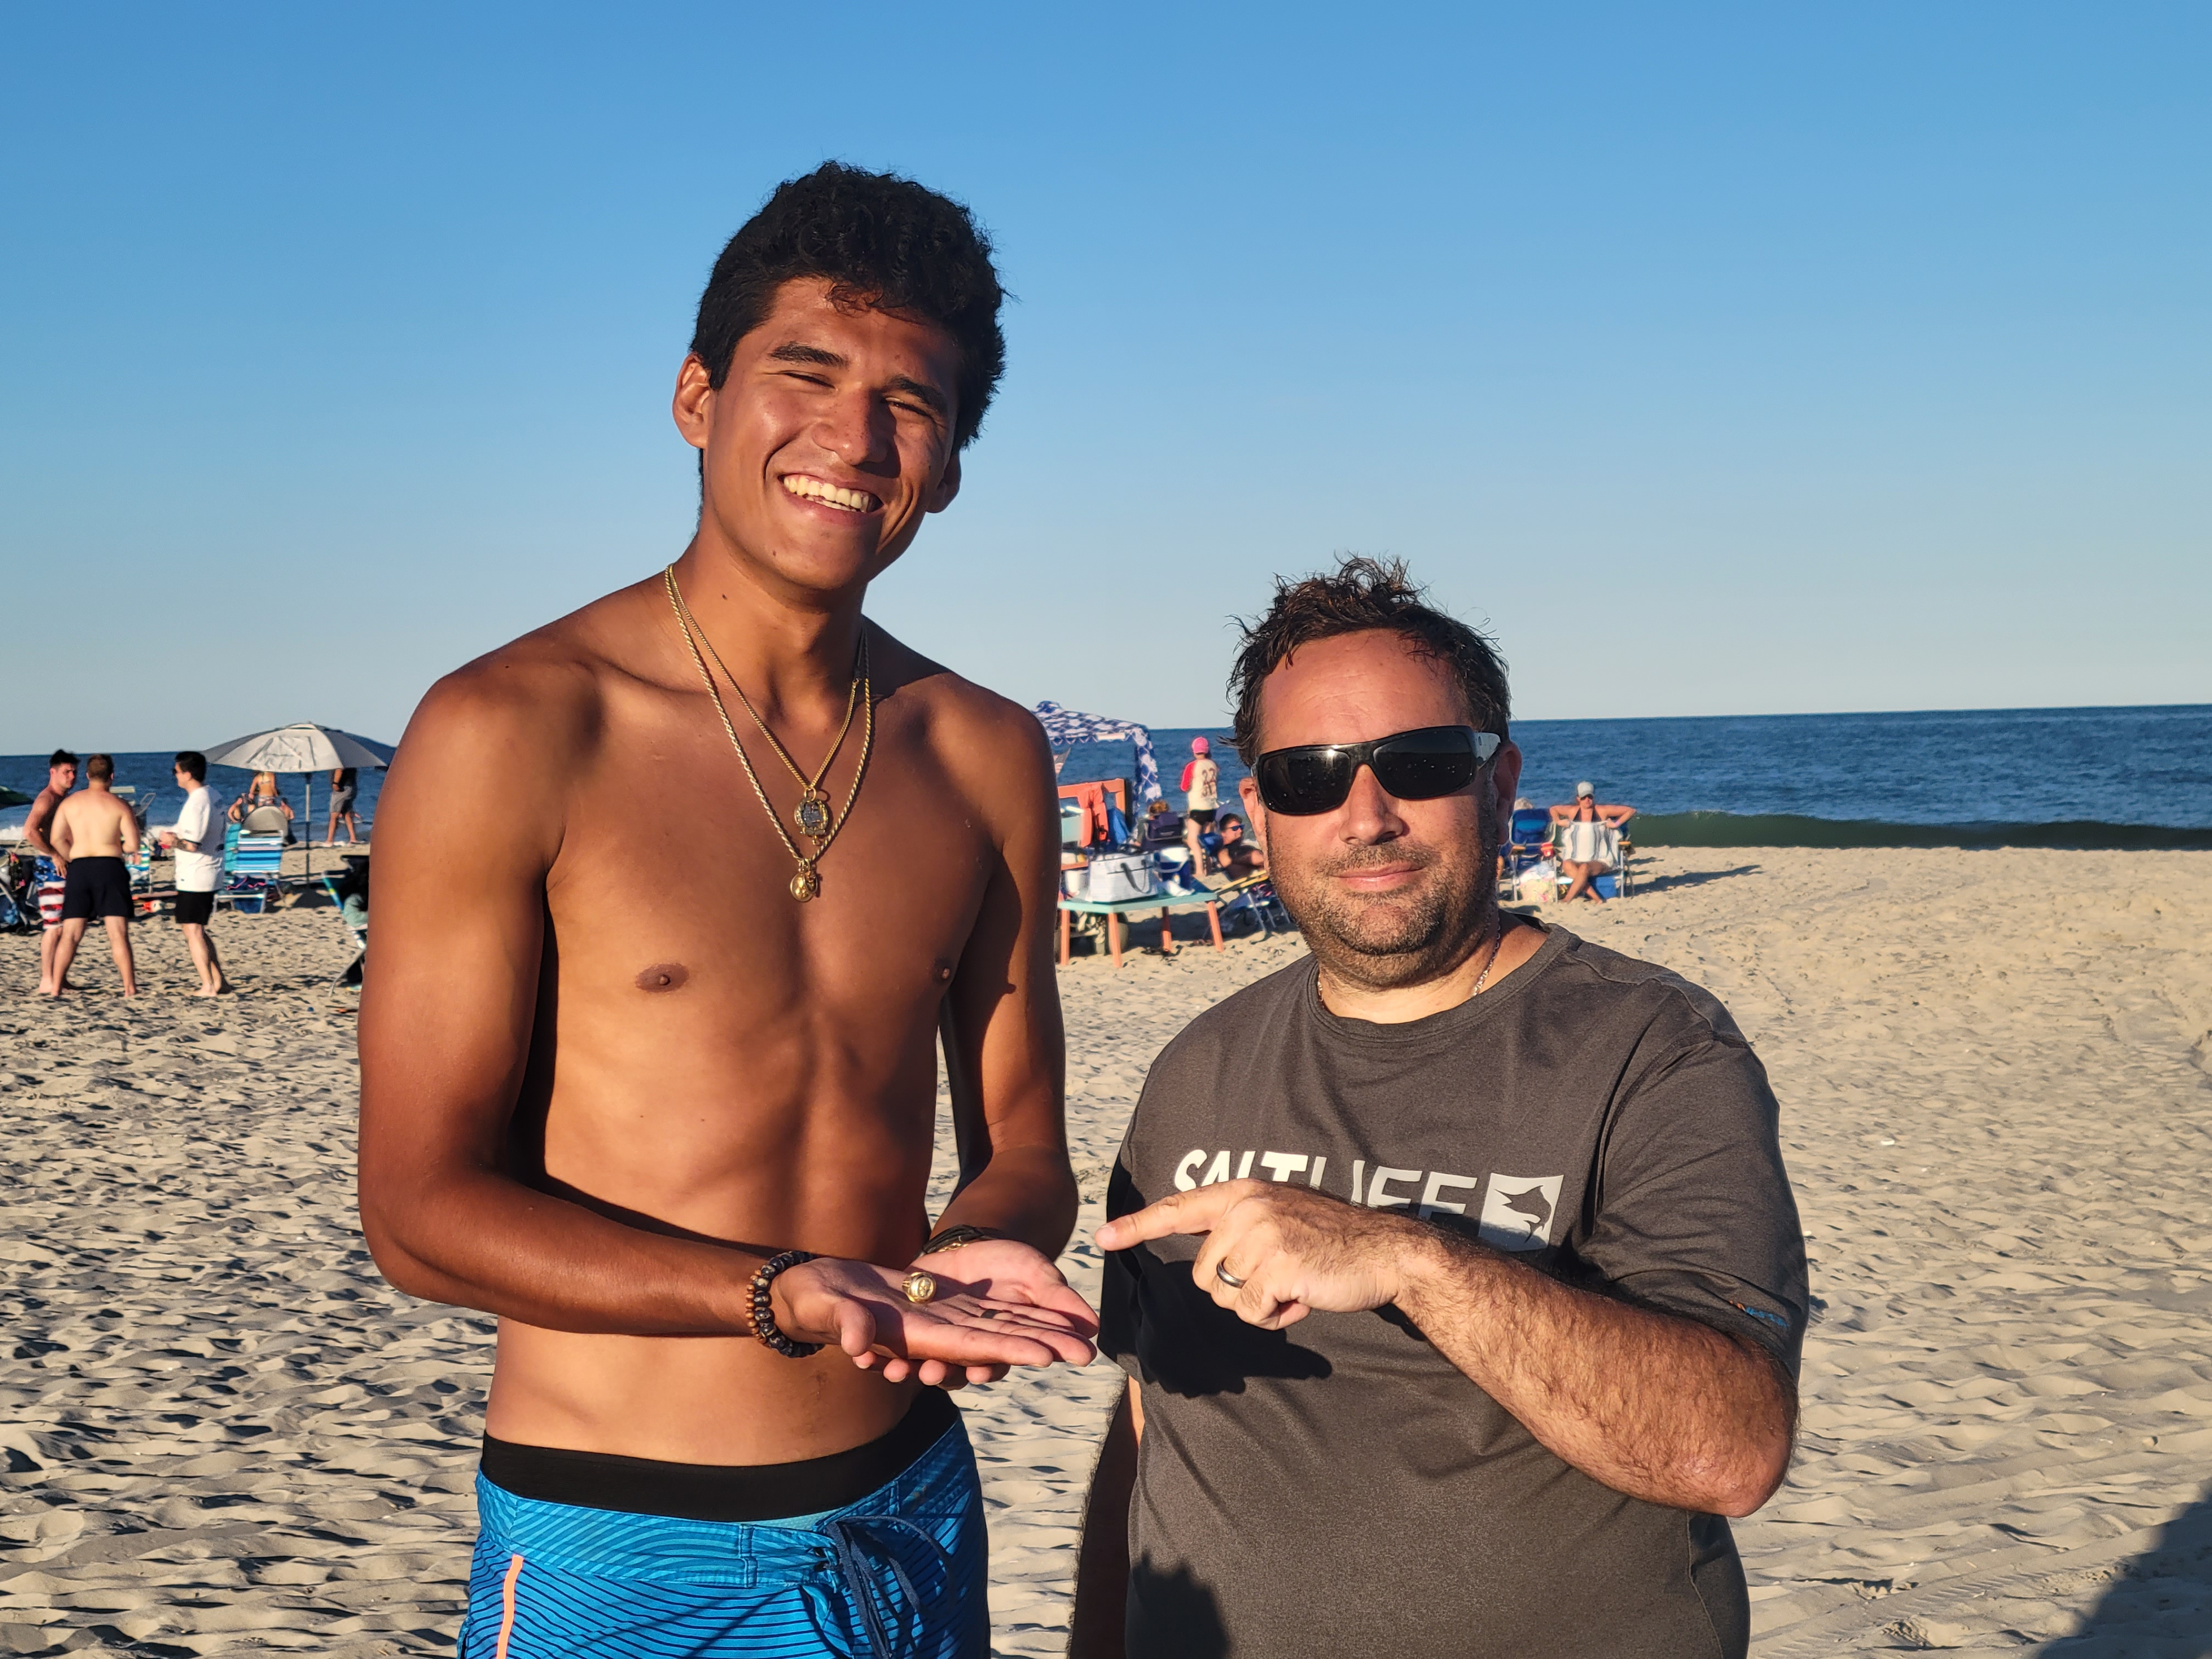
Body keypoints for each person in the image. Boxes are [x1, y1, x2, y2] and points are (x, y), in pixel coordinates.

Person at [357, 163, 1098, 1659]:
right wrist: (783, 1295)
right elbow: (419, 1215)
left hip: (909, 1511)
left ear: (948, 464)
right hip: (620, 1538)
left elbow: (1024, 1142)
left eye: (913, 403)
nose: (852, 436)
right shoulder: (514, 727)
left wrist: (982, 1244)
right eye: (804, 374)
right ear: (698, 396)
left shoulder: (985, 751)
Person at [1072, 557, 1804, 1659]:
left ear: (1501, 781)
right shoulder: (1200, 1064)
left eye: (1415, 765)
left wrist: (1414, 1262)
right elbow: (1148, 1422)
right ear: (1259, 807)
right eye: (1311, 776)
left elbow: (1732, 1450)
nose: (1366, 817)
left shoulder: (1653, 1049)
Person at [46, 754, 141, 997]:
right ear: (112, 777)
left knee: (71, 933)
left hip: (80, 867)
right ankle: (129, 988)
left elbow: (56, 838)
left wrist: (73, 856)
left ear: (87, 776)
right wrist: (114, 845)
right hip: (109, 866)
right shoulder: (119, 805)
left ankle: (56, 987)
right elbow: (132, 845)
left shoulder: (70, 804)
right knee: (117, 933)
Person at [171, 751, 228, 997]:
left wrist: (171, 840)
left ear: (187, 774)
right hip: (208, 869)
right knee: (198, 929)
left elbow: (192, 843)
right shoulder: (212, 795)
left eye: (177, 772)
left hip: (197, 873)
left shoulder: (199, 800)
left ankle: (208, 985)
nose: (175, 776)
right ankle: (218, 980)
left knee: (192, 930)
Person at [22, 749, 78, 995]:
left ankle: (59, 978)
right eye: (67, 772)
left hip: (63, 866)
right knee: (53, 926)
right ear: (53, 772)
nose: (72, 776)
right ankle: (47, 979)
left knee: (66, 925)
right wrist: (54, 854)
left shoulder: (63, 799)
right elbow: (30, 831)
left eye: (75, 772)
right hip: (50, 866)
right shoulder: (47, 799)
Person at [1549, 780, 1635, 903]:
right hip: (1577, 857)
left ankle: (1567, 899)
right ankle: (1597, 898)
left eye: (1590, 796)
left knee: (1584, 868)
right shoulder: (1573, 811)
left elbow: (1630, 811)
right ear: (1578, 798)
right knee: (1567, 864)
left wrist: (1616, 824)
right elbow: (1554, 809)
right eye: (1584, 797)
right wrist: (1558, 821)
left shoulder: (1601, 811)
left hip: (1600, 859)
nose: (1587, 800)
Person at [1180, 735, 1220, 865]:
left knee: (1192, 840)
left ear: (1194, 750)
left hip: (1199, 807)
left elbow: (1184, 787)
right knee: (1206, 839)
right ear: (1207, 750)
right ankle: (1208, 866)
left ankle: (1199, 869)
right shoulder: (1213, 765)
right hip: (1212, 806)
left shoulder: (1192, 766)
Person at [1209, 812, 1265, 879]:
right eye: (1235, 828)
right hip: (1255, 886)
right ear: (1223, 833)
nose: (1240, 831)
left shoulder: (1234, 850)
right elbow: (1258, 858)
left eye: (1241, 827)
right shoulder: (1228, 851)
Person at [324, 766, 361, 845]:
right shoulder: (351, 760)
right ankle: (353, 838)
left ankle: (330, 840)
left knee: (334, 815)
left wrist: (335, 783)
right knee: (347, 812)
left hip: (342, 788)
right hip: (352, 787)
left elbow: (339, 769)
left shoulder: (340, 759)